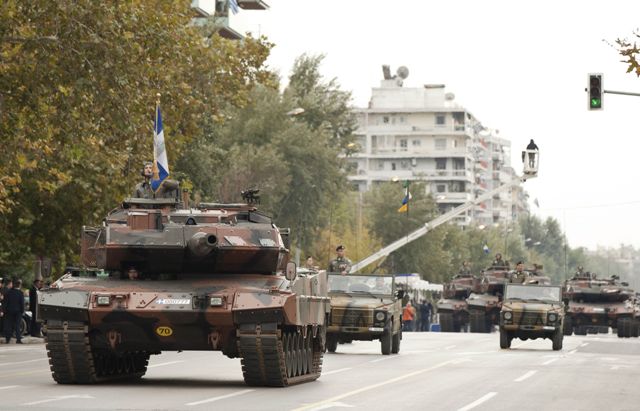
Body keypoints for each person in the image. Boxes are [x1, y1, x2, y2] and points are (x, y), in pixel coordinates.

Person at [4, 278, 24, 343]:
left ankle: (8, 339)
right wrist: (22, 311)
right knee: (17, 325)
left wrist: (4, 310)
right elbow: (22, 303)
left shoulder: (8, 292)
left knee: (9, 325)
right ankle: (18, 339)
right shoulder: (20, 293)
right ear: (19, 285)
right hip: (18, 312)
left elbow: (5, 302)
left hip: (9, 311)